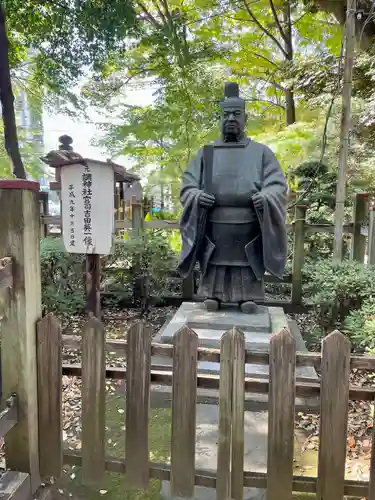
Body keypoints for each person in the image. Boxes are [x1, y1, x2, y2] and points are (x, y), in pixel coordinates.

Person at [178, 82, 288, 313]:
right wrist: (197, 196)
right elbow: (187, 186)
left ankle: (247, 296)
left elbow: (277, 185)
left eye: (236, 114)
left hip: (248, 225)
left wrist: (266, 197)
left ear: (245, 118)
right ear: (220, 118)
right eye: (225, 114)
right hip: (214, 226)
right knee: (215, 260)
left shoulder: (261, 153)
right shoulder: (207, 153)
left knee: (245, 262)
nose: (230, 119)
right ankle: (213, 295)